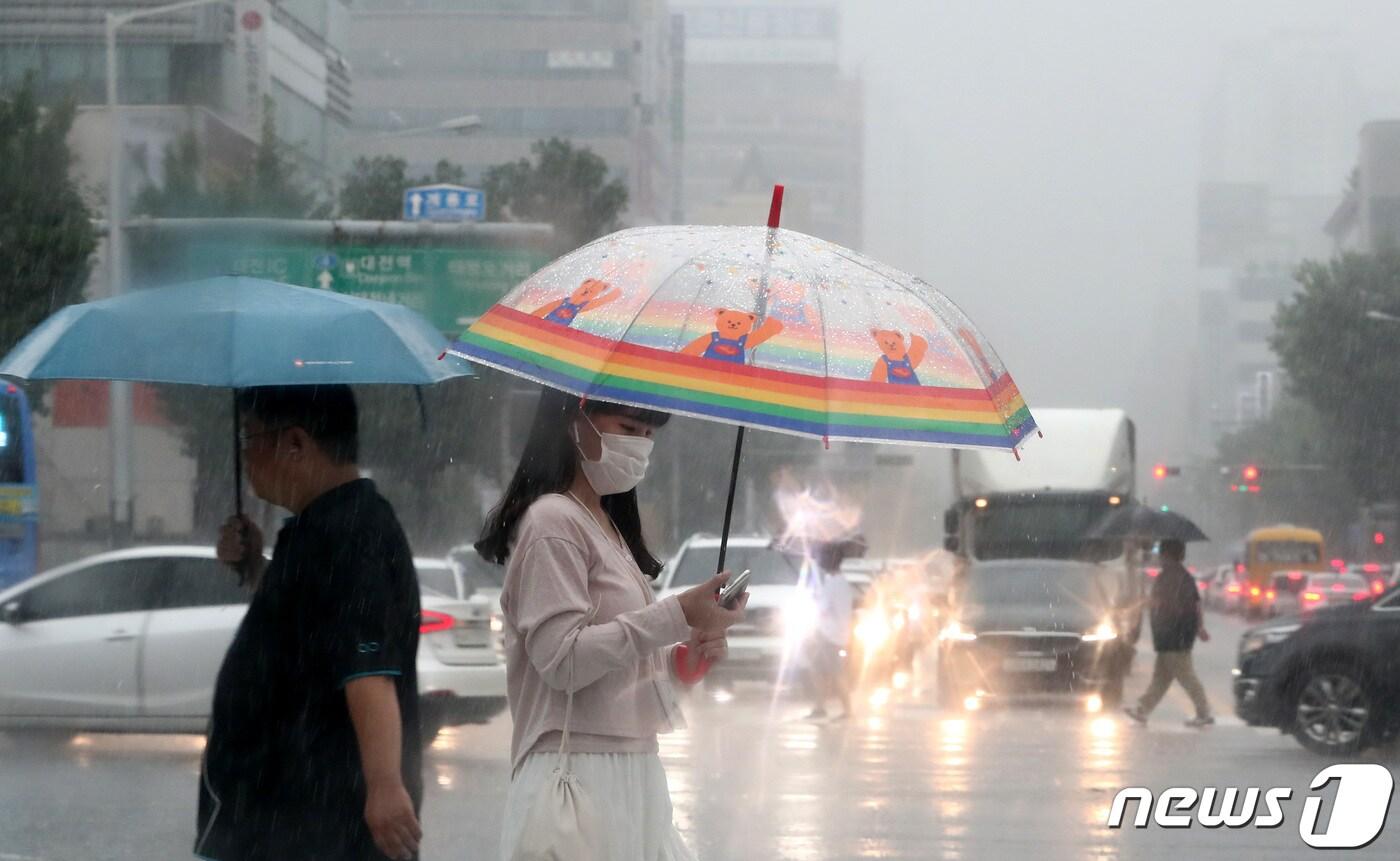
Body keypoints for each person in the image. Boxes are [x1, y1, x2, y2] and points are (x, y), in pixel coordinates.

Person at [476, 389, 746, 861]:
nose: (640, 445)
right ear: (576, 421)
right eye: (628, 429)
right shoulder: (552, 522)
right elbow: (563, 662)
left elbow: (624, 670)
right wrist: (678, 615)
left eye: (648, 434)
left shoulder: (608, 526)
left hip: (637, 769)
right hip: (578, 773)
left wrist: (687, 658)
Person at [199, 385, 424, 861]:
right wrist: (256, 569)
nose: (245, 454)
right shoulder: (317, 529)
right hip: (284, 815)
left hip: (312, 819)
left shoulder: (349, 533)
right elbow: (311, 631)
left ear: (296, 444)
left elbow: (369, 669)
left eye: (251, 437)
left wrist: (384, 786)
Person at [1124, 538, 1214, 728]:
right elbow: (1195, 604)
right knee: (1161, 678)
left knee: (1186, 675)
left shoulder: (1174, 577)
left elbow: (1184, 605)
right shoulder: (1180, 576)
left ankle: (1204, 712)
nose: (1159, 558)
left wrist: (1151, 602)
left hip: (1175, 635)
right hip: (1169, 635)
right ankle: (1142, 710)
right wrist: (1200, 627)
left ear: (1169, 555)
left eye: (1162, 554)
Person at [803, 538, 861, 720]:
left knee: (836, 674)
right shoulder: (832, 581)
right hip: (827, 635)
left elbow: (837, 612)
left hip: (833, 637)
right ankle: (820, 707)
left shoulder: (838, 584)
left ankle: (847, 710)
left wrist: (823, 611)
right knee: (818, 671)